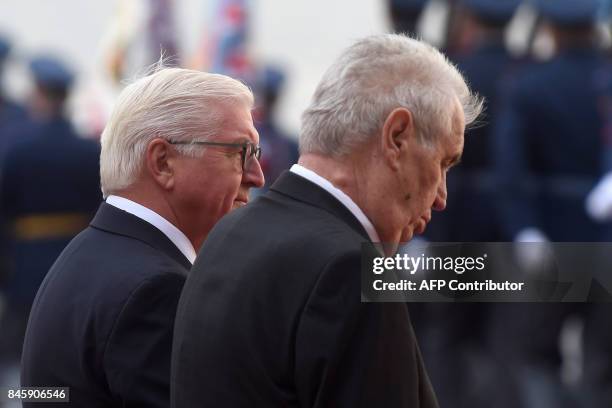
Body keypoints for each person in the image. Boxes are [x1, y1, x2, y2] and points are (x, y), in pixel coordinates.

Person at [172, 34, 482, 408]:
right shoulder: (350, 270)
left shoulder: (232, 230)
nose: (441, 196)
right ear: (396, 137)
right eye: (443, 163)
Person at [20, 67, 264, 407]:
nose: (257, 176)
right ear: (163, 162)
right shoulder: (155, 289)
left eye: (256, 153)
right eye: (240, 152)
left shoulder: (94, 251)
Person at [490, 1, 610, 406]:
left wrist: (524, 227)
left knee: (536, 355)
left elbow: (511, 167)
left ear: (550, 29)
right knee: (602, 362)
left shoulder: (530, 84)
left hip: (551, 241)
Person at [0, 56, 100, 375]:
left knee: (22, 350)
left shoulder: (16, 148)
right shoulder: (89, 150)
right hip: (76, 258)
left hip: (25, 263)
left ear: (39, 93)